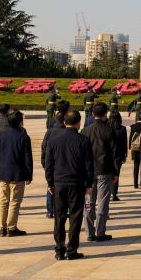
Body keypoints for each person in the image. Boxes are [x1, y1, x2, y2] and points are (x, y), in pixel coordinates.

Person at [45, 109, 94, 260]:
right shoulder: (83, 140)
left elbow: (49, 165)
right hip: (77, 184)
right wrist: (89, 184)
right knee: (75, 217)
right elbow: (88, 165)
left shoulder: (54, 140)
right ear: (79, 123)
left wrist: (50, 182)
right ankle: (72, 250)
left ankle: (59, 250)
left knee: (59, 218)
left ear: (64, 122)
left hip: (59, 183)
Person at [81, 102, 119, 242]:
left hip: (88, 173)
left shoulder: (85, 131)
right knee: (102, 202)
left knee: (88, 202)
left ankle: (89, 232)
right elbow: (115, 154)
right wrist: (116, 172)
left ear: (92, 113)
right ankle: (100, 232)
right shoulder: (109, 130)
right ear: (105, 113)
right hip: (104, 171)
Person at [0, 110, 33, 237]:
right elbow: (27, 158)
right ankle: (11, 227)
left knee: (2, 201)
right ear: (20, 122)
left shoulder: (0, 135)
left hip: (3, 173)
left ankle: (2, 227)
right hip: (17, 174)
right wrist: (29, 174)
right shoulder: (23, 137)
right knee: (14, 201)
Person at [41, 109, 67, 218]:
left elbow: (44, 148)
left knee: (50, 186)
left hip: (51, 163)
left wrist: (44, 163)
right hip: (63, 164)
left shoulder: (49, 132)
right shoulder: (66, 131)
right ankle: (61, 210)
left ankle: (50, 210)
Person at [108, 111, 128, 201]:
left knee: (107, 174)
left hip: (108, 154)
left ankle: (108, 192)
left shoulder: (107, 128)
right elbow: (124, 143)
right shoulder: (122, 129)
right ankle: (114, 194)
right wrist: (124, 155)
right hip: (118, 155)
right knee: (116, 174)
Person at [128, 111, 141, 188]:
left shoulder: (133, 126)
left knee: (136, 165)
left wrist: (130, 147)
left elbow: (130, 137)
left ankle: (135, 184)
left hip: (135, 148)